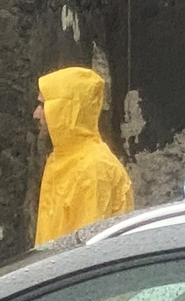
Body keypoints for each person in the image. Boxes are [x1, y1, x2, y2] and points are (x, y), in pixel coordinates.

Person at [32, 66, 134, 246]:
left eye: (43, 105)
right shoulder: (63, 159)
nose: (36, 114)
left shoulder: (93, 168)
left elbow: (84, 252)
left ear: (64, 109)